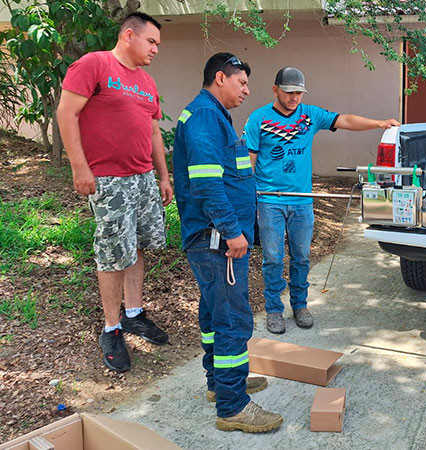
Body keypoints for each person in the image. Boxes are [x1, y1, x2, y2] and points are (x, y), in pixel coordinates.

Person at [244, 67, 400, 334]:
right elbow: (249, 162)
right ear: (275, 90)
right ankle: (273, 310)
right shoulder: (258, 119)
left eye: (299, 93)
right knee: (273, 258)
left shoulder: (310, 115)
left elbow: (345, 120)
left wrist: (379, 123)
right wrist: (249, 198)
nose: (294, 98)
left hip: (302, 200)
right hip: (269, 200)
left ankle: (300, 305)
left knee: (302, 256)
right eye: (289, 92)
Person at [172, 52, 282, 433]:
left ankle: (220, 384)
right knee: (233, 319)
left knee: (213, 314)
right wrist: (233, 232)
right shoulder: (205, 116)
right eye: (242, 83)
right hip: (217, 238)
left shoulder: (210, 115)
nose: (247, 91)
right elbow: (205, 182)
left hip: (213, 236)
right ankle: (233, 406)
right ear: (220, 78)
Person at [57, 12, 172, 373]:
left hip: (141, 178)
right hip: (108, 178)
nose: (155, 49)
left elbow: (153, 132)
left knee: (135, 244)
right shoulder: (95, 64)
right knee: (111, 253)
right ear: (128, 35)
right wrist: (80, 167)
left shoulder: (147, 82)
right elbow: (66, 113)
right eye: (151, 42)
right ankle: (111, 328)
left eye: (157, 44)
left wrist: (163, 176)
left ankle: (134, 313)